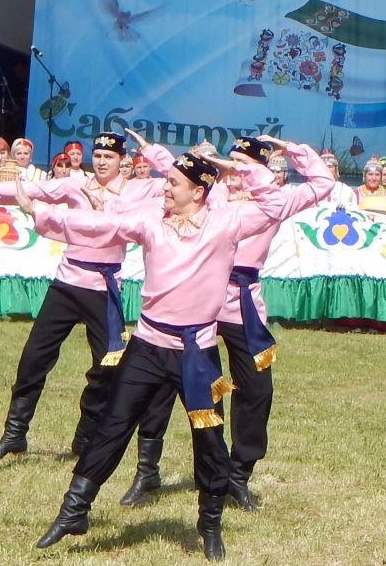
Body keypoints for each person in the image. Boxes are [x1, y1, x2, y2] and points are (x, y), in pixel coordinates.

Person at [19, 146, 298, 561]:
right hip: (148, 347)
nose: (164, 187)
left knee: (209, 440)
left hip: (198, 354)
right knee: (113, 424)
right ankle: (74, 509)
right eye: (166, 181)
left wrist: (239, 167)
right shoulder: (151, 221)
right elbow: (100, 225)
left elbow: (276, 204)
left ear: (199, 192)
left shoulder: (227, 223)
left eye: (173, 183)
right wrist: (39, 212)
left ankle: (209, 524)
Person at [116, 133, 336, 512]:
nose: (235, 173)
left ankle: (238, 475)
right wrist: (152, 152)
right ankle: (147, 468)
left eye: (244, 167)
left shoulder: (275, 201)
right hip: (196, 305)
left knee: (256, 388)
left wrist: (291, 149)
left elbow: (324, 183)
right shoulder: (211, 196)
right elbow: (179, 176)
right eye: (230, 164)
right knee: (162, 384)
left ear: (261, 172)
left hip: (242, 303)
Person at [0, 132, 168, 460]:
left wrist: (152, 151)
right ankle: (15, 432)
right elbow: (30, 190)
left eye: (110, 157)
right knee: (35, 356)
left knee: (108, 365)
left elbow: (182, 179)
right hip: (66, 283)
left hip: (103, 287)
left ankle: (86, 434)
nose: (102, 162)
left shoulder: (139, 189)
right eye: (98, 156)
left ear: (122, 161)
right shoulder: (76, 184)